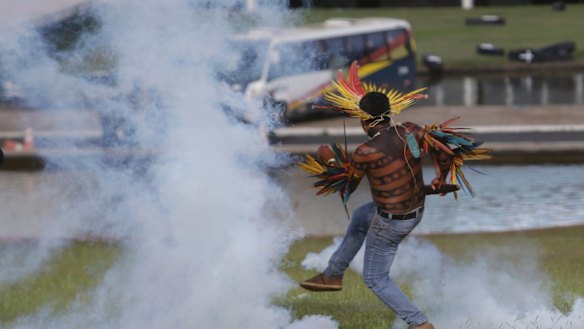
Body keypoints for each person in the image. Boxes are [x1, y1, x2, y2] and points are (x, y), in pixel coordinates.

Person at [300, 92, 455, 329]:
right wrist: (439, 177)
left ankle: (420, 324)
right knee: (362, 216)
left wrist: (330, 161)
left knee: (375, 279)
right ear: (388, 113)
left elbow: (347, 186)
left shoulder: (366, 152)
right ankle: (332, 274)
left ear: (364, 120)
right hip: (414, 211)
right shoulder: (410, 132)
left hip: (391, 222)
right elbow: (442, 150)